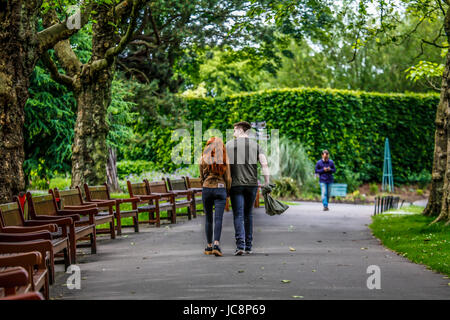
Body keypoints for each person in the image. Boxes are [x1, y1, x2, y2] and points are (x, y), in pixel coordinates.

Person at [226, 121, 270, 256]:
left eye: (234, 130)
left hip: (236, 185)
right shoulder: (256, 146)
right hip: (252, 185)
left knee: (238, 215)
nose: (233, 133)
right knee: (248, 214)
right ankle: (249, 246)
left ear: (240, 129)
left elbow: (223, 166)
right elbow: (264, 164)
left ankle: (240, 245)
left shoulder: (228, 145)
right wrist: (267, 182)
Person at [200, 137, 231, 257]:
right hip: (220, 189)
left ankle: (208, 246)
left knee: (208, 218)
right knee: (218, 218)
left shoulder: (203, 158)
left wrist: (205, 183)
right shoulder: (225, 159)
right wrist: (227, 191)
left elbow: (201, 176)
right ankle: (216, 245)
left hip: (207, 188)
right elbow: (228, 178)